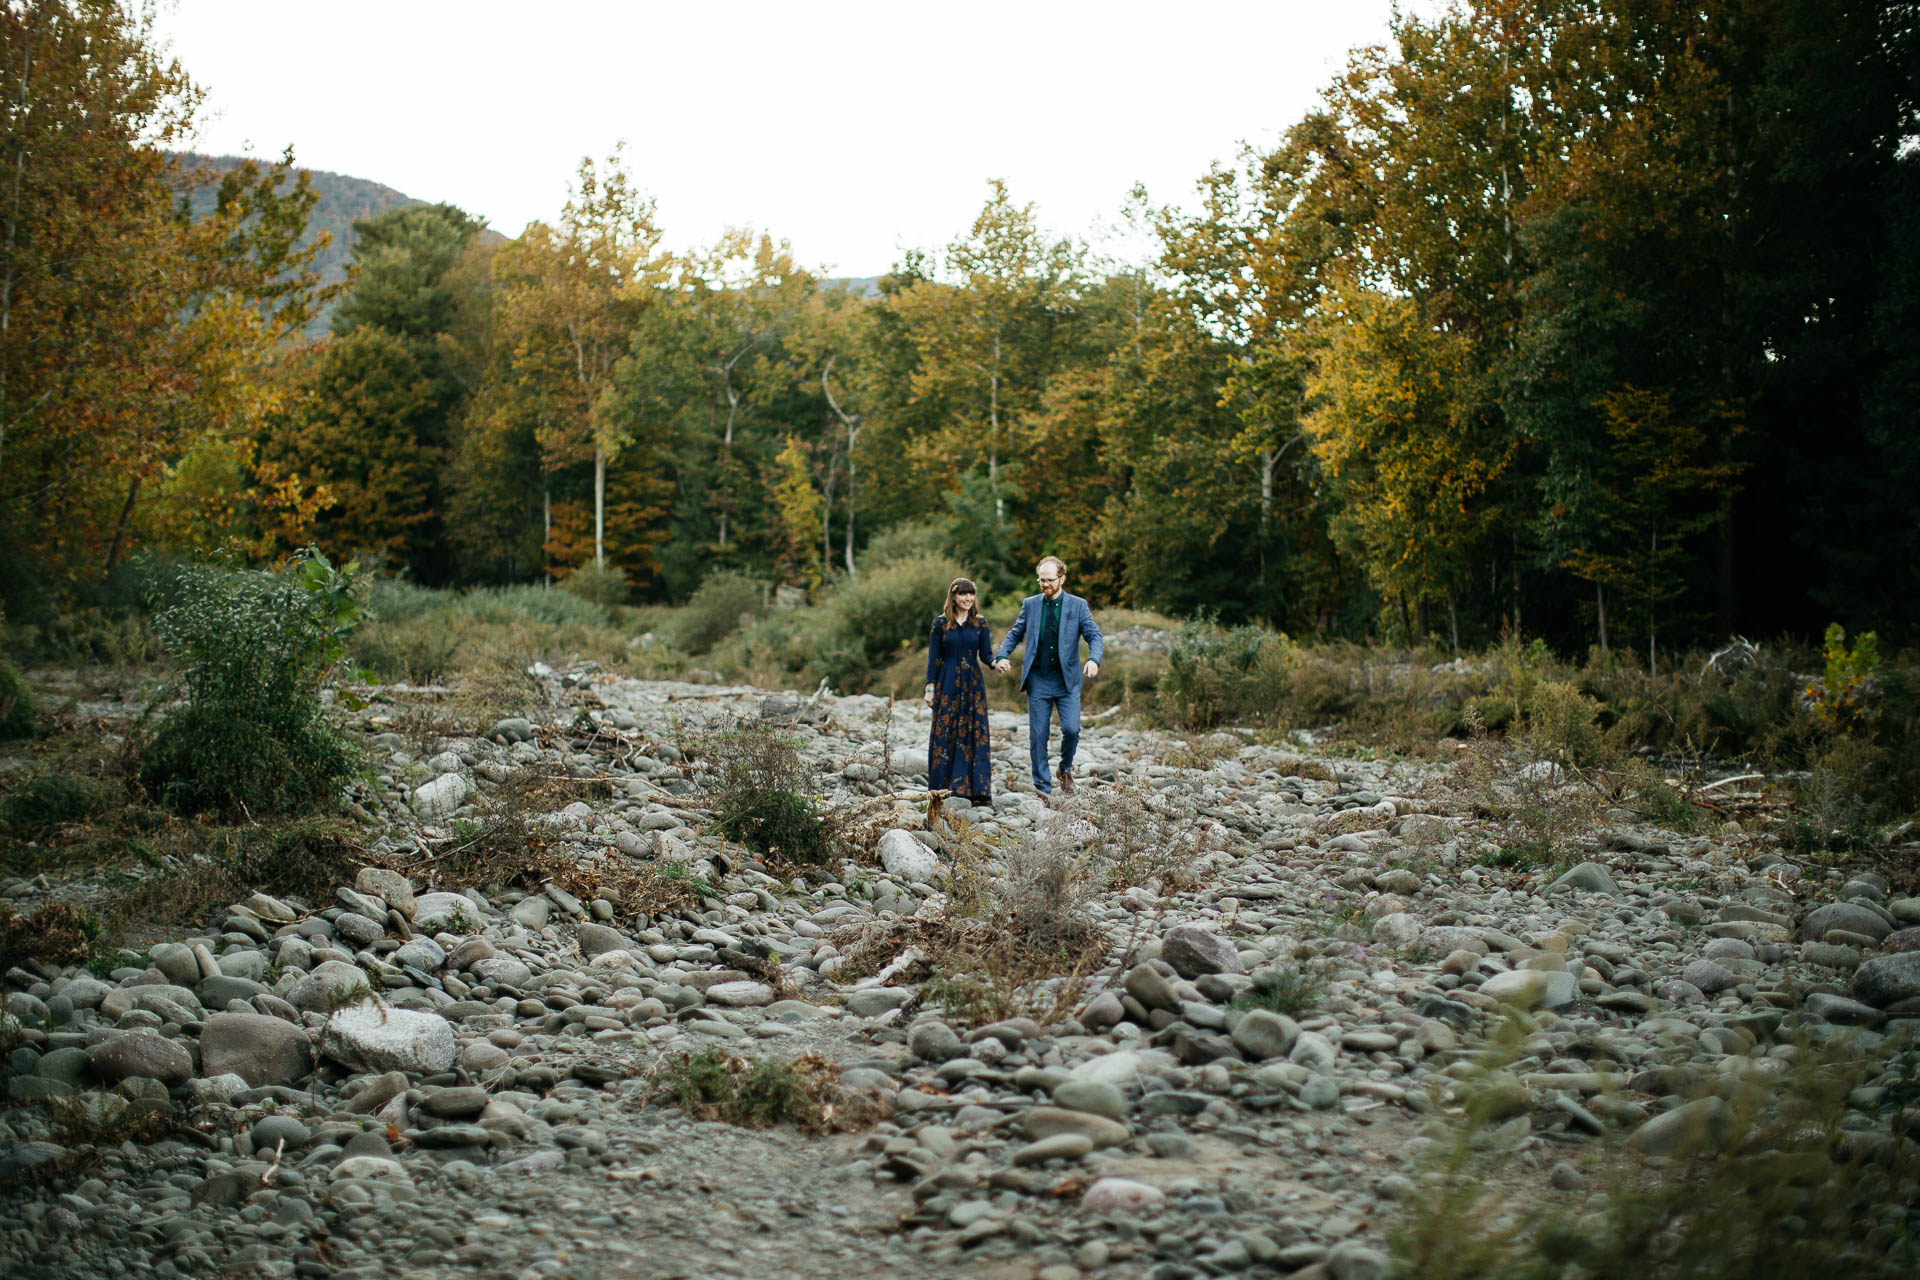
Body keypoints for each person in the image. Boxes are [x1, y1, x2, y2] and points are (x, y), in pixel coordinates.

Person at [993, 556, 1103, 800]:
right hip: (1038, 680)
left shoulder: (1078, 605)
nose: (1045, 585)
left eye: (1050, 580)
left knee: (1072, 730)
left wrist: (1094, 660)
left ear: (1062, 578)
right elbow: (1015, 633)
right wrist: (1002, 655)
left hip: (1068, 680)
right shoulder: (1030, 605)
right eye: (1041, 580)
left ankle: (1064, 769)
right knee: (1038, 735)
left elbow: (1094, 635)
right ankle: (1042, 788)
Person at [923, 577, 994, 825]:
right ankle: (943, 786)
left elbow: (986, 654)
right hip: (947, 682)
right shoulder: (941, 624)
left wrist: (997, 662)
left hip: (973, 684)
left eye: (971, 594)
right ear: (953, 597)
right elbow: (934, 658)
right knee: (946, 731)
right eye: (963, 594)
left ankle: (976, 790)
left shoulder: (980, 623)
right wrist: (929, 687)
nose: (968, 598)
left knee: (974, 732)